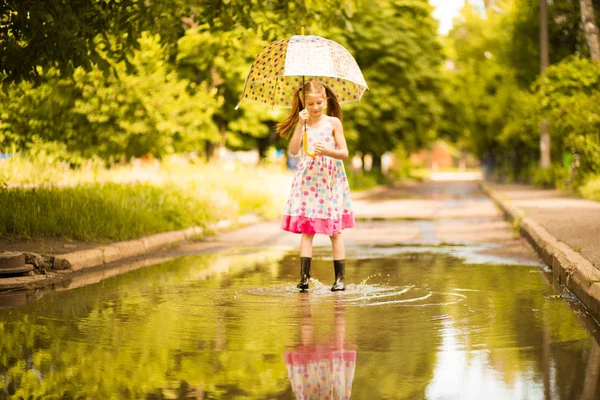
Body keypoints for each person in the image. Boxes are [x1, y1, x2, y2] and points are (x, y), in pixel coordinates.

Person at [276, 80, 355, 292]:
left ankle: (340, 279)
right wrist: (299, 125)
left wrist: (328, 151)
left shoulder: (333, 123)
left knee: (335, 232)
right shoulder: (303, 124)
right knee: (307, 230)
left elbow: (344, 152)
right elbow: (293, 150)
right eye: (310, 104)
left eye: (319, 102)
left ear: (326, 100)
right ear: (303, 103)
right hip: (309, 181)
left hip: (329, 180)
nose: (315, 107)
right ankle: (304, 278)